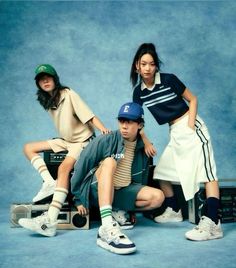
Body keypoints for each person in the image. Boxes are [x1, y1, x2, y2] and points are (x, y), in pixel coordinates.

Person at [130, 43, 223, 241]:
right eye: (143, 64)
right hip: (174, 131)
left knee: (208, 173)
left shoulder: (169, 79)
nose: (147, 68)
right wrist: (146, 141)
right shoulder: (139, 92)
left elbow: (193, 99)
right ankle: (173, 210)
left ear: (156, 66)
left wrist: (190, 126)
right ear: (136, 66)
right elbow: (137, 121)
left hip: (191, 125)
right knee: (161, 172)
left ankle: (213, 222)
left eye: (152, 64)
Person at [19, 64, 110, 237]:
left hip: (82, 141)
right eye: (41, 79)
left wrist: (103, 129)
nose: (45, 81)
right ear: (38, 84)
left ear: (55, 79)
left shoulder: (69, 94)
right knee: (28, 148)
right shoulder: (47, 100)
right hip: (66, 141)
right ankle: (49, 183)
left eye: (48, 77)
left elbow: (89, 116)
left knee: (63, 168)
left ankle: (50, 221)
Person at [71, 102, 164, 254]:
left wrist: (146, 141)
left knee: (157, 197)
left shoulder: (143, 147)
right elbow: (81, 167)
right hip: (97, 189)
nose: (124, 126)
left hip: (122, 190)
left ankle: (118, 210)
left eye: (129, 121)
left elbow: (141, 178)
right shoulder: (106, 140)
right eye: (121, 121)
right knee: (109, 161)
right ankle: (106, 226)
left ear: (139, 125)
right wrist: (77, 198)